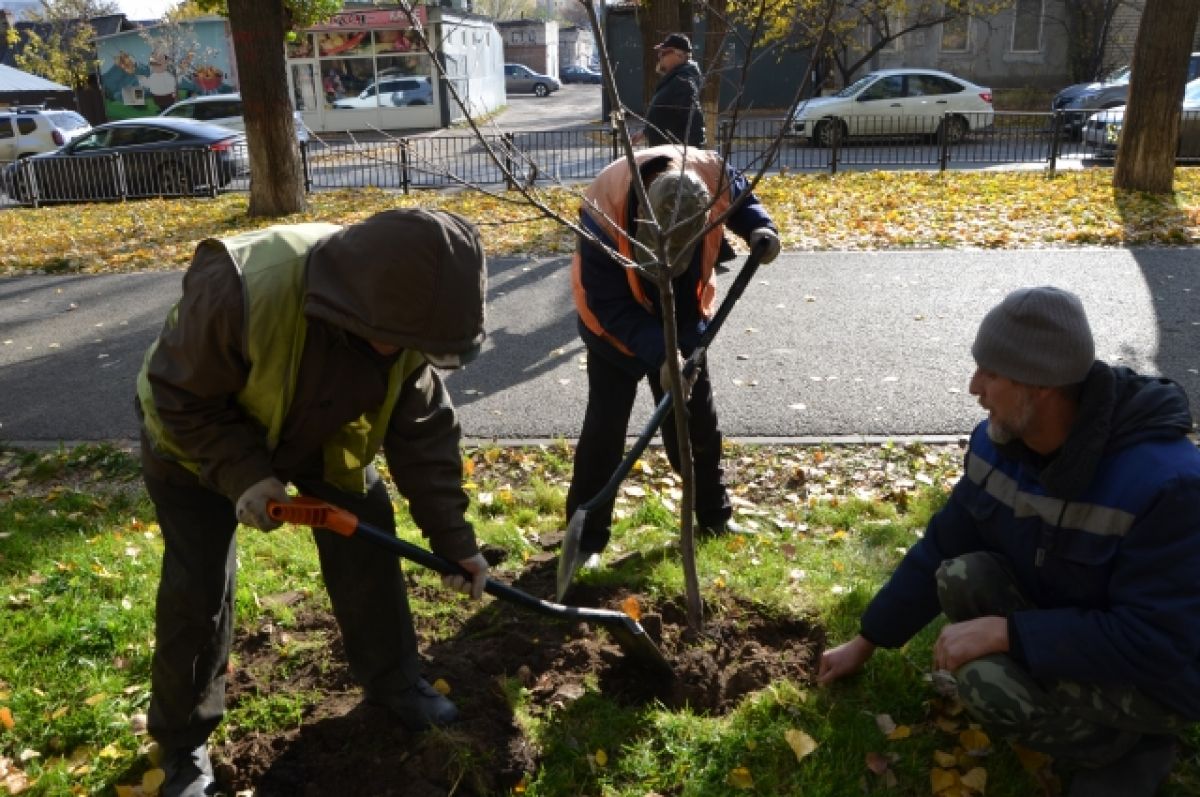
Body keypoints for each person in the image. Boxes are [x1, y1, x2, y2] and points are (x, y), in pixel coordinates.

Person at [135, 209, 492, 797]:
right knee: (198, 589)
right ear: (360, 304)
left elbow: (424, 434)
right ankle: (181, 742)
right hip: (194, 443)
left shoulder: (409, 324)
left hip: (316, 431)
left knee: (367, 532)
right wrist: (246, 474)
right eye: (406, 341)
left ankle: (393, 679)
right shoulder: (242, 286)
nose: (413, 352)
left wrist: (456, 543)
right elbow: (177, 396)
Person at [818, 286, 1200, 797]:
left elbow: (1159, 644)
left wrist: (1009, 634)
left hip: (1159, 679)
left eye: (991, 373)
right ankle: (1090, 723)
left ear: (1039, 385)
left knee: (986, 684)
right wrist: (866, 641)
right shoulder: (1000, 443)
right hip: (1074, 621)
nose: (974, 386)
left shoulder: (1167, 485)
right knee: (959, 575)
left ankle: (1131, 748)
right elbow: (944, 543)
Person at [566, 145, 781, 561]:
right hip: (613, 329)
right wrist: (661, 357)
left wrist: (758, 226)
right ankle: (587, 538)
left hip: (683, 313)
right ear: (641, 222)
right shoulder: (602, 213)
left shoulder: (709, 173)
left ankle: (714, 517)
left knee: (698, 420)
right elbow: (609, 307)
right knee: (605, 432)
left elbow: (741, 196)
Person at [638, 33, 706, 148]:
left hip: (676, 156)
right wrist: (646, 132)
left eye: (664, 52)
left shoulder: (683, 81)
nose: (660, 56)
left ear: (680, 55)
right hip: (666, 152)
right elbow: (668, 116)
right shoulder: (674, 79)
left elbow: (694, 120)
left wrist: (693, 155)